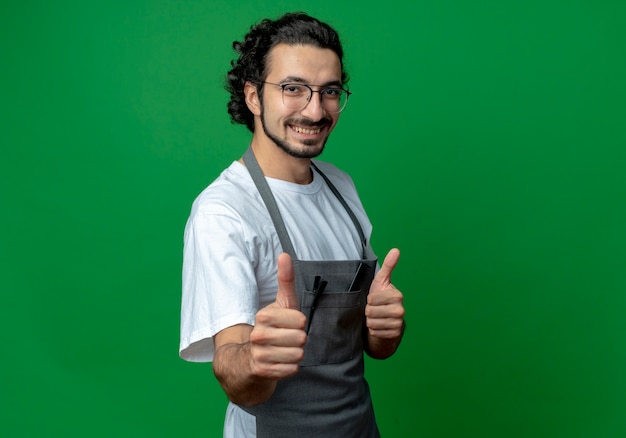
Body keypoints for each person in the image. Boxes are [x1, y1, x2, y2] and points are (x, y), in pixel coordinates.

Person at [179, 11, 406, 438]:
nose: (316, 110)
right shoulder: (224, 211)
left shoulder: (342, 187)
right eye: (293, 89)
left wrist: (385, 329)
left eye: (330, 91)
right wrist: (256, 359)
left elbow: (372, 347)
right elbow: (231, 367)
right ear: (252, 96)